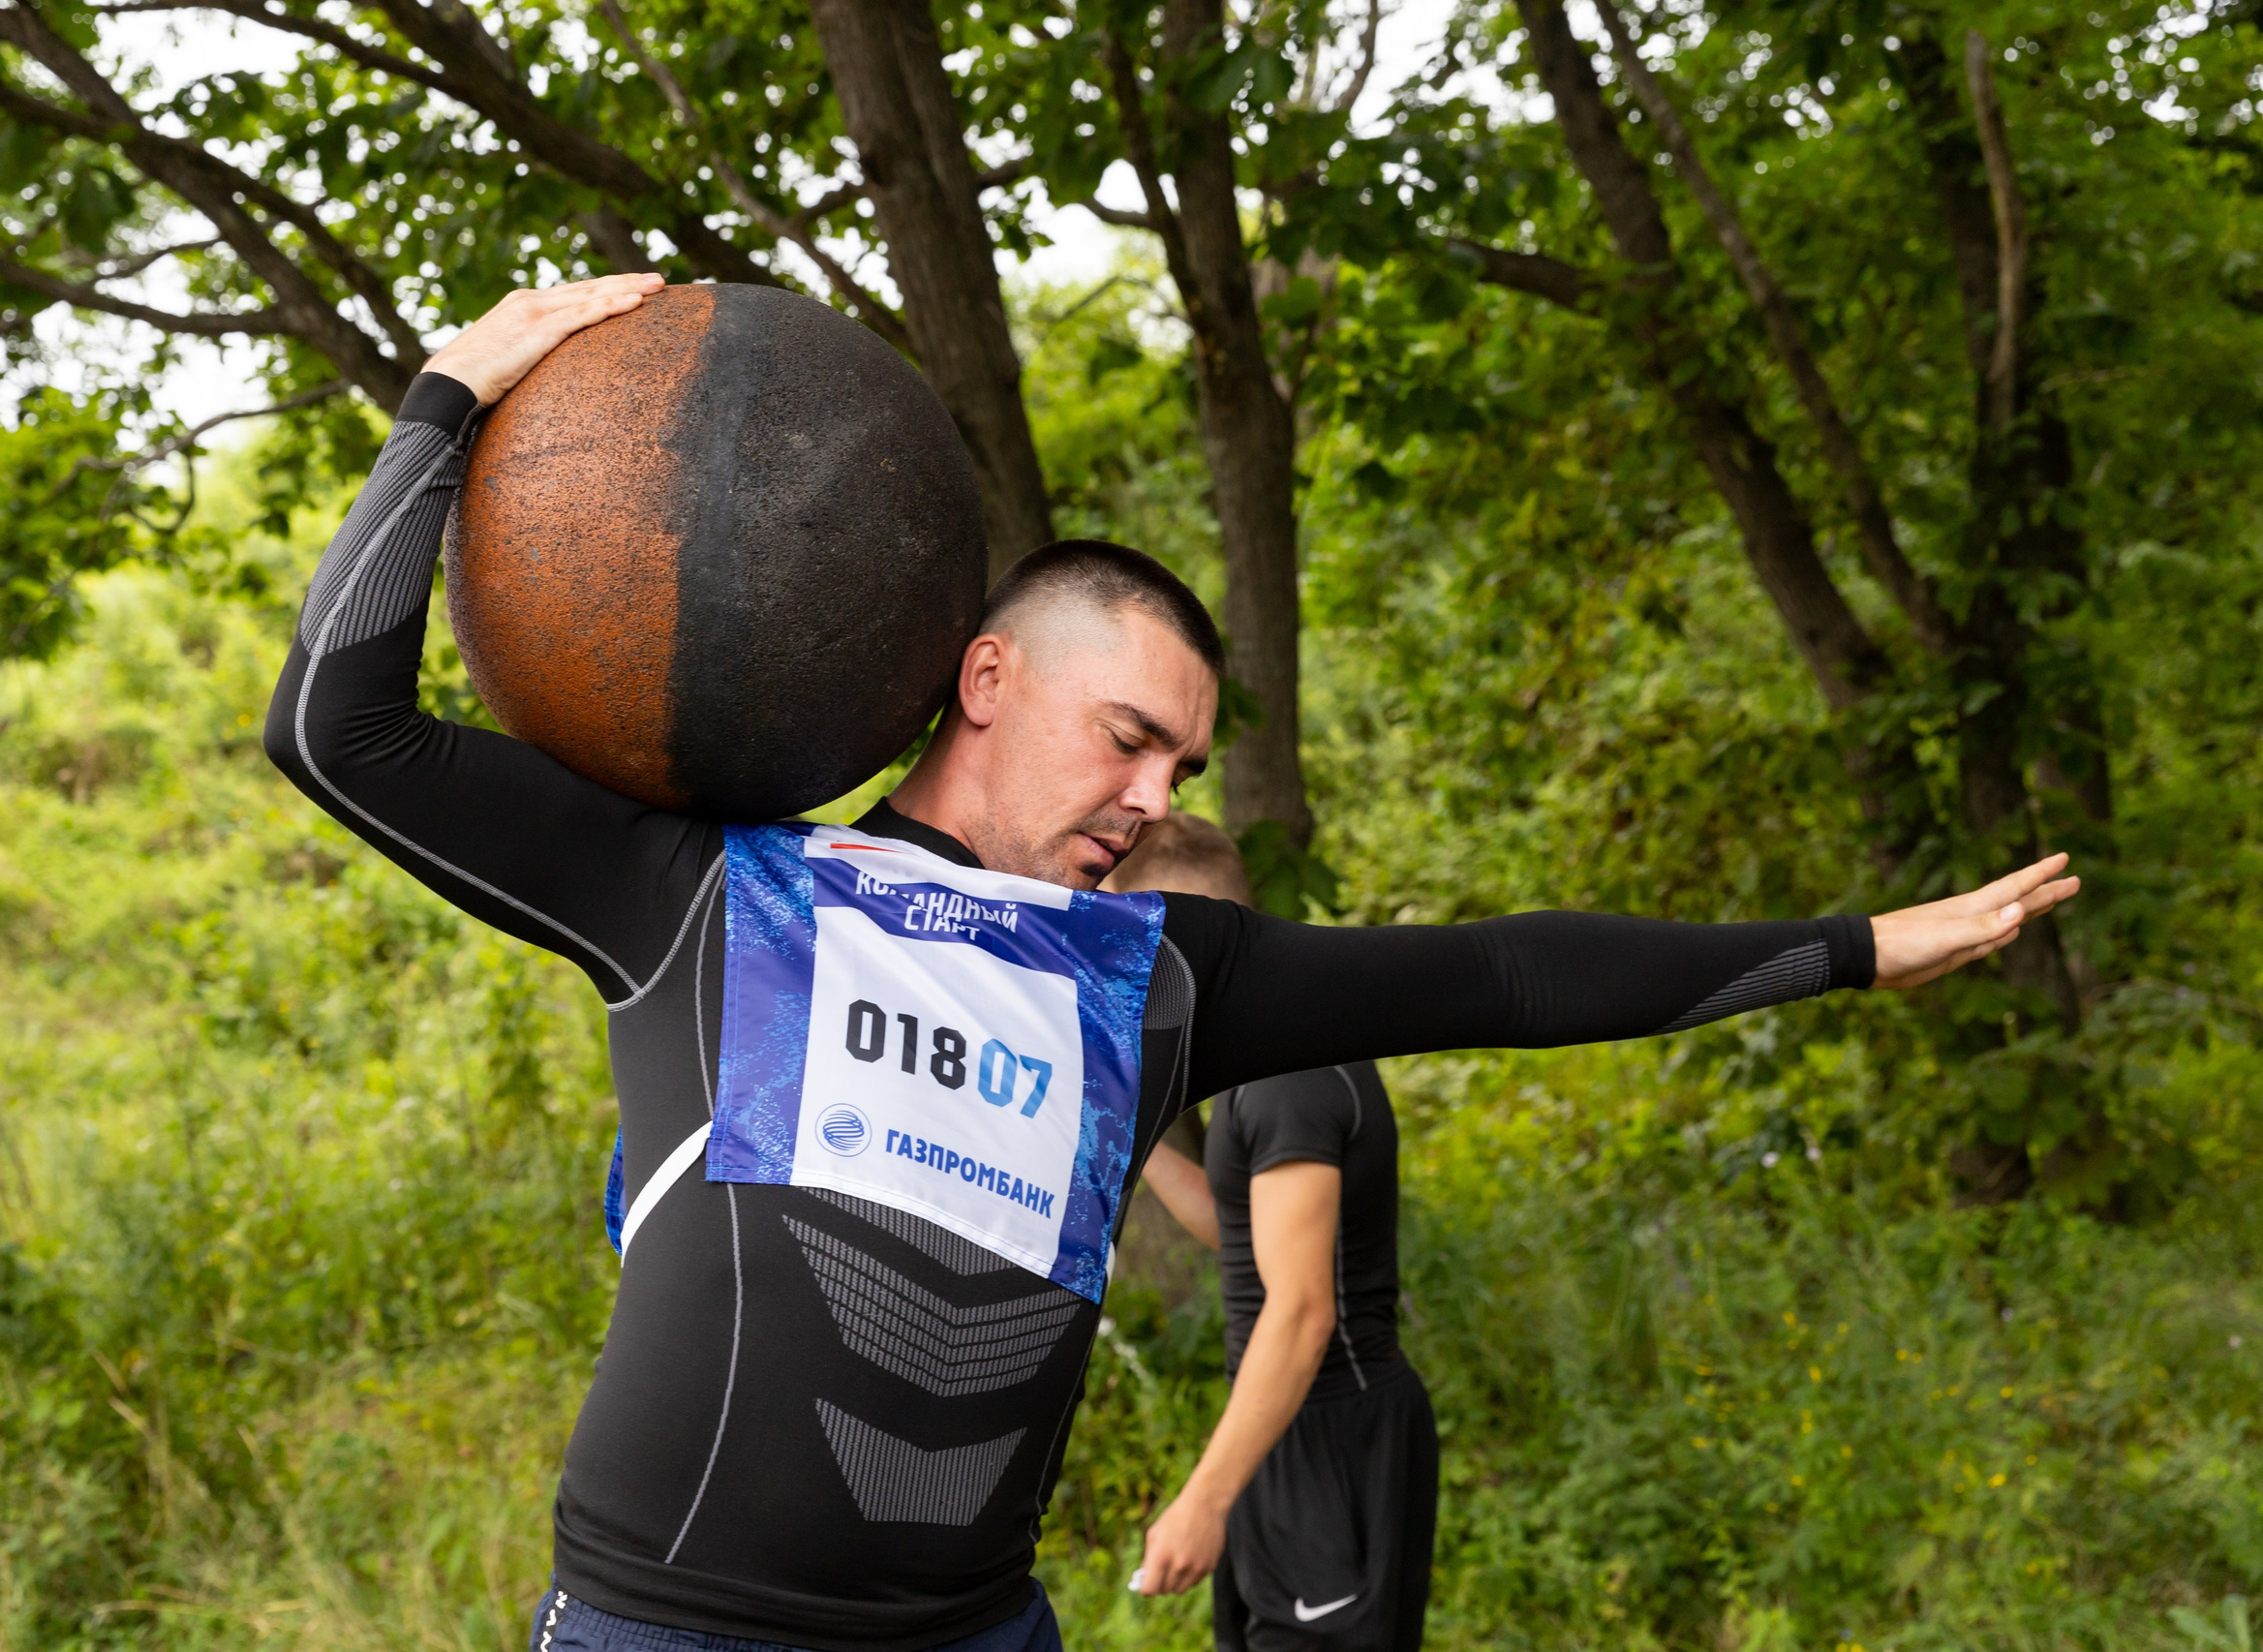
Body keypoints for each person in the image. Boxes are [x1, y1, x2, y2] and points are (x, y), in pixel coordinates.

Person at [261, 272, 2081, 1652]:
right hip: (677, 1626)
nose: (1152, 800)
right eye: (1128, 738)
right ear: (988, 679)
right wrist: (451, 397)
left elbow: (1505, 978)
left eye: (1184, 771)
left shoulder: (1161, 978)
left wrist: (1855, 947)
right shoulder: (715, 896)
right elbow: (338, 731)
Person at [1104, 815, 1434, 1651]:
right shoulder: (1266, 1055)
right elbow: (1244, 1235)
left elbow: (1301, 1309)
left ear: (1183, 939)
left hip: (1331, 1434)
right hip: (1279, 1426)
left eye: (1126, 934)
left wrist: (1203, 1500)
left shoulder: (1291, 1075)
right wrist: (1129, 1130)